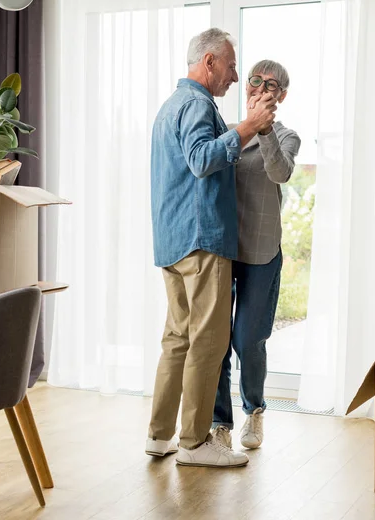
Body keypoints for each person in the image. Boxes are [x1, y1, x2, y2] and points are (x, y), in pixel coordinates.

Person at [146, 30, 277, 468]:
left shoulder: (171, 106)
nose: (236, 77)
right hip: (202, 241)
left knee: (178, 339)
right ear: (209, 62)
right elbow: (202, 160)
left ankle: (159, 436)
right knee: (208, 341)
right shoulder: (199, 105)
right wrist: (247, 128)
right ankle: (196, 441)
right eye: (231, 66)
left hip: (172, 240)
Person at [211, 60, 301, 453]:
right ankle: (219, 422)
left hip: (262, 251)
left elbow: (280, 173)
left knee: (248, 338)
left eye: (272, 84)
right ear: (245, 86)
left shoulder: (286, 135)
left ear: (281, 95)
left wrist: (264, 130)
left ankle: (255, 409)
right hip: (221, 250)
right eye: (255, 80)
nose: (262, 87)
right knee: (214, 341)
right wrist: (247, 127)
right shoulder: (227, 131)